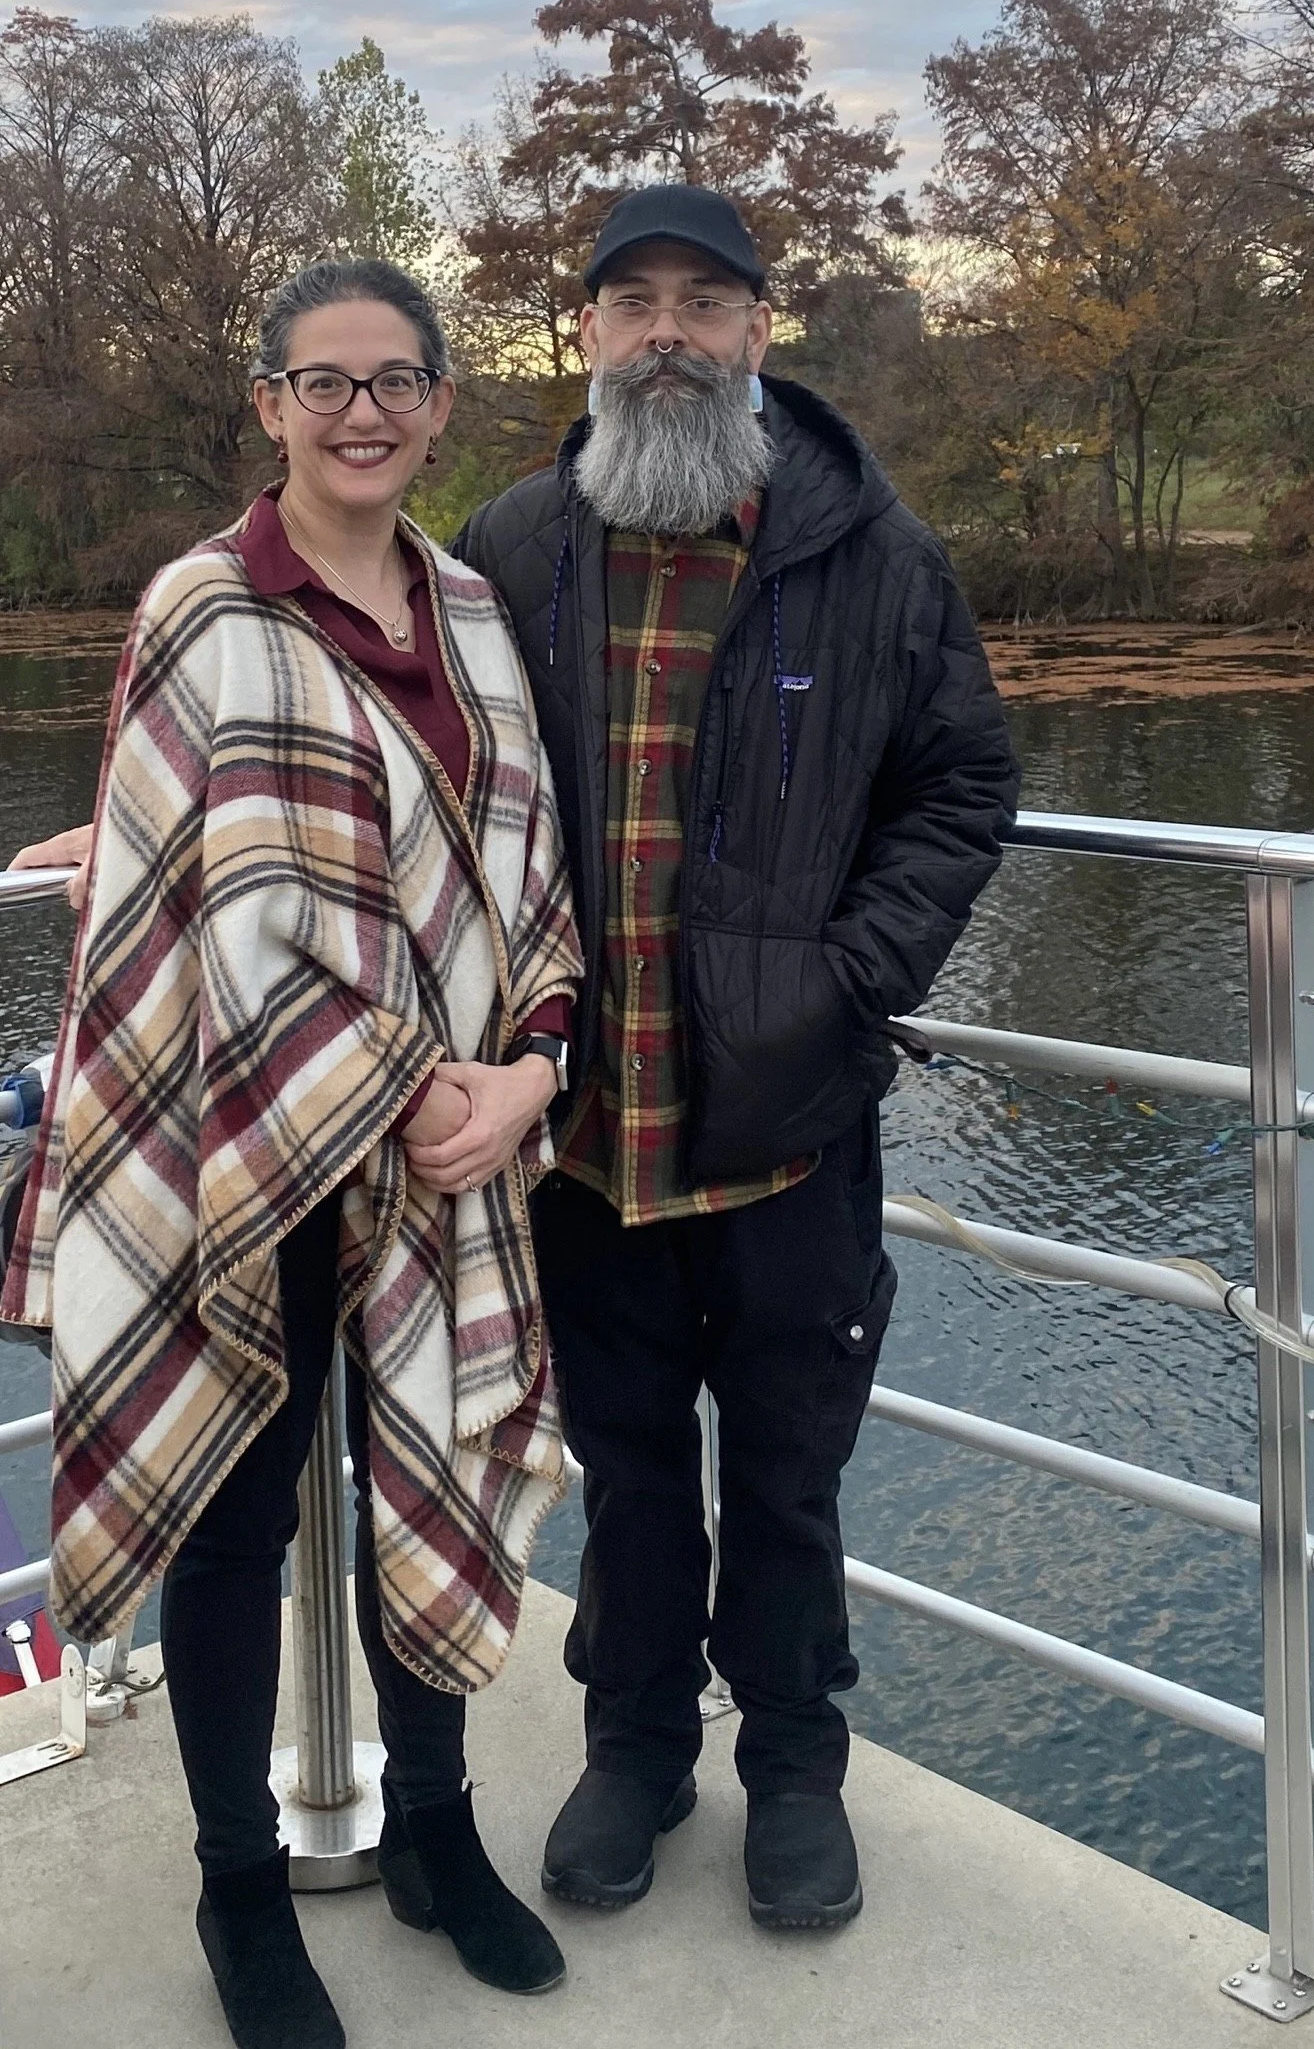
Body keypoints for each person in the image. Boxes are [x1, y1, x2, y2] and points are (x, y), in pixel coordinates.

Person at [2, 258, 582, 2049]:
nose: (360, 414)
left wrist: (532, 1069)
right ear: (266, 404)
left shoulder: (475, 609)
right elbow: (203, 901)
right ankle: (237, 1885)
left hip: (447, 1151)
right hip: (239, 1152)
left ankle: (436, 1831)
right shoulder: (199, 608)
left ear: (437, 404)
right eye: (321, 383)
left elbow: (524, 872)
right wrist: (417, 1070)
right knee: (238, 1521)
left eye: (394, 380)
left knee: (422, 1441)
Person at [451, 186, 1021, 1932]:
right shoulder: (514, 545)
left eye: (708, 301)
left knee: (783, 1469)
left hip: (788, 1124)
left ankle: (792, 1765)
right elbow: (425, 781)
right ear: (590, 337)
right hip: (579, 1130)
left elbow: (958, 787)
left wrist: (850, 981)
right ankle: (633, 1749)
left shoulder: (873, 549)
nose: (670, 333)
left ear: (762, 332)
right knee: (625, 1468)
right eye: (636, 304)